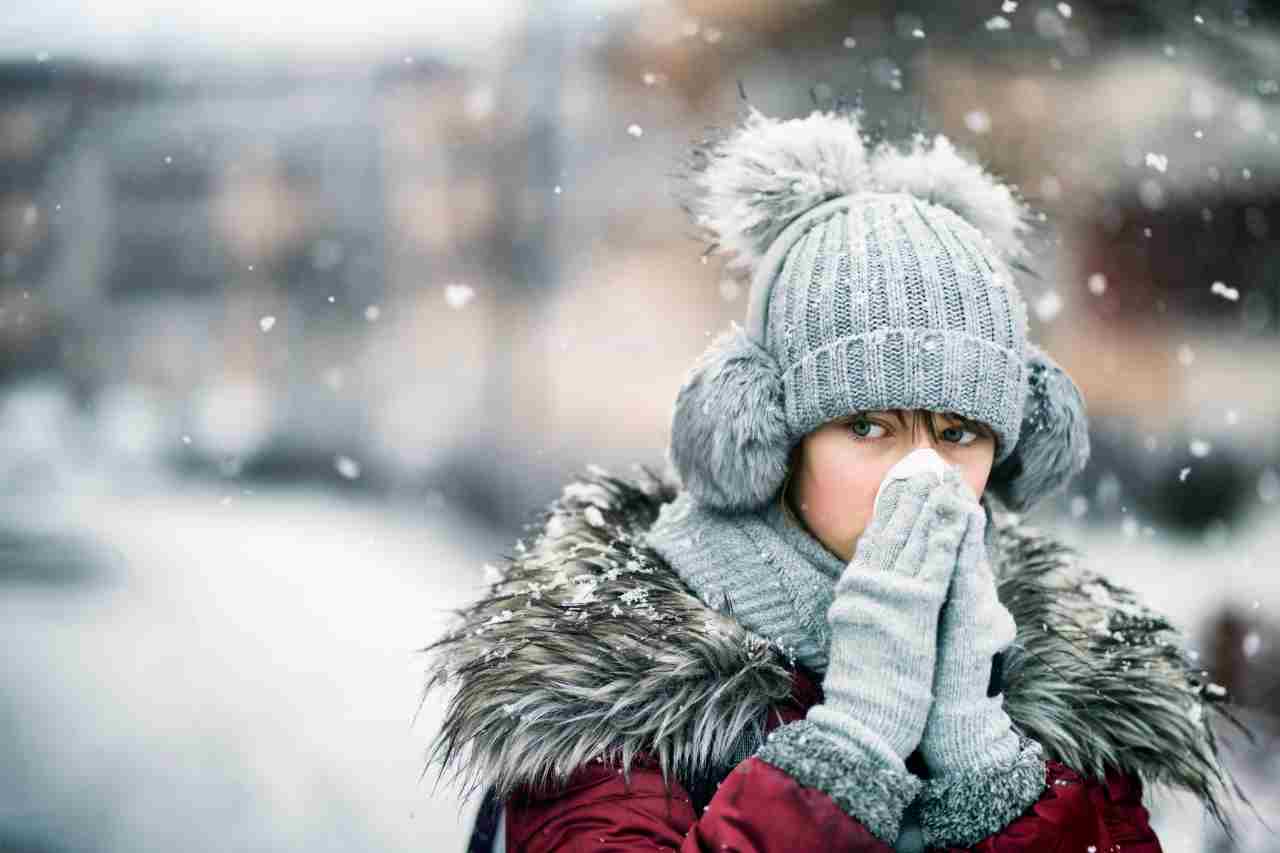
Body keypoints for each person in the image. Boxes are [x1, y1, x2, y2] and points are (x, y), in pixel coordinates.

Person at [422, 107, 1237, 852]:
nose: (922, 471)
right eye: (868, 426)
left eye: (958, 432)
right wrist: (851, 748)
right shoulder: (619, 695)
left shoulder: (1061, 693)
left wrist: (991, 774)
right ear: (765, 433)